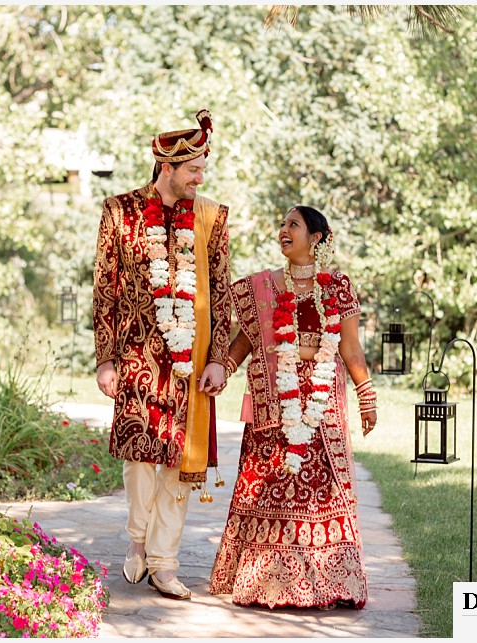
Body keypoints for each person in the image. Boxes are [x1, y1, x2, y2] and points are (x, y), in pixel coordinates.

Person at [92, 109, 232, 601]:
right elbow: (104, 292)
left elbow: (221, 294)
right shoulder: (120, 212)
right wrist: (105, 359)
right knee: (139, 458)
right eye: (193, 169)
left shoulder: (212, 219)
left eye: (202, 170)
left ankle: (164, 563)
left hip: (191, 362)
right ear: (166, 166)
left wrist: (218, 358)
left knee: (180, 465)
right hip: (135, 356)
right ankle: (137, 538)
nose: (199, 178)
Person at [208, 205, 377, 609]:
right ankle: (265, 582)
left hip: (322, 406)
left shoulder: (337, 286)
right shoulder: (261, 287)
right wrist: (224, 369)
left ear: (316, 237)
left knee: (322, 488)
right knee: (269, 484)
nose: (283, 230)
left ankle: (329, 581)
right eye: (283, 224)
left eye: (293, 225)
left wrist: (366, 395)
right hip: (274, 403)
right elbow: (246, 340)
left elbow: (350, 347)